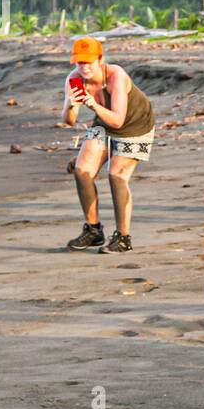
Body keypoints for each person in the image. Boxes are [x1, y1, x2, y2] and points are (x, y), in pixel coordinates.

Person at [62, 36, 156, 253]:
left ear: (100, 59)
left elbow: (118, 121)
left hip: (136, 125)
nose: (84, 67)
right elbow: (69, 120)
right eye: (80, 62)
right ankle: (93, 230)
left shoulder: (115, 76)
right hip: (103, 122)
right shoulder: (74, 79)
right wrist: (70, 104)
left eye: (89, 62)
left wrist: (92, 104)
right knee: (82, 170)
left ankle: (123, 237)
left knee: (116, 175)